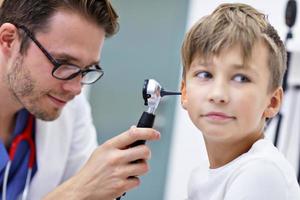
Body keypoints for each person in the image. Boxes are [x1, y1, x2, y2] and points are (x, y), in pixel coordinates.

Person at [0, 0, 161, 199]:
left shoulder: (70, 108)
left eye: (87, 70)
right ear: (8, 40)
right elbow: (84, 186)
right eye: (64, 63)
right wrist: (77, 191)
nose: (76, 89)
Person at [180, 3, 300, 200]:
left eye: (240, 78)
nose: (218, 94)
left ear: (272, 102)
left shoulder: (261, 172)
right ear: (184, 92)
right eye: (205, 74)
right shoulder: (201, 176)